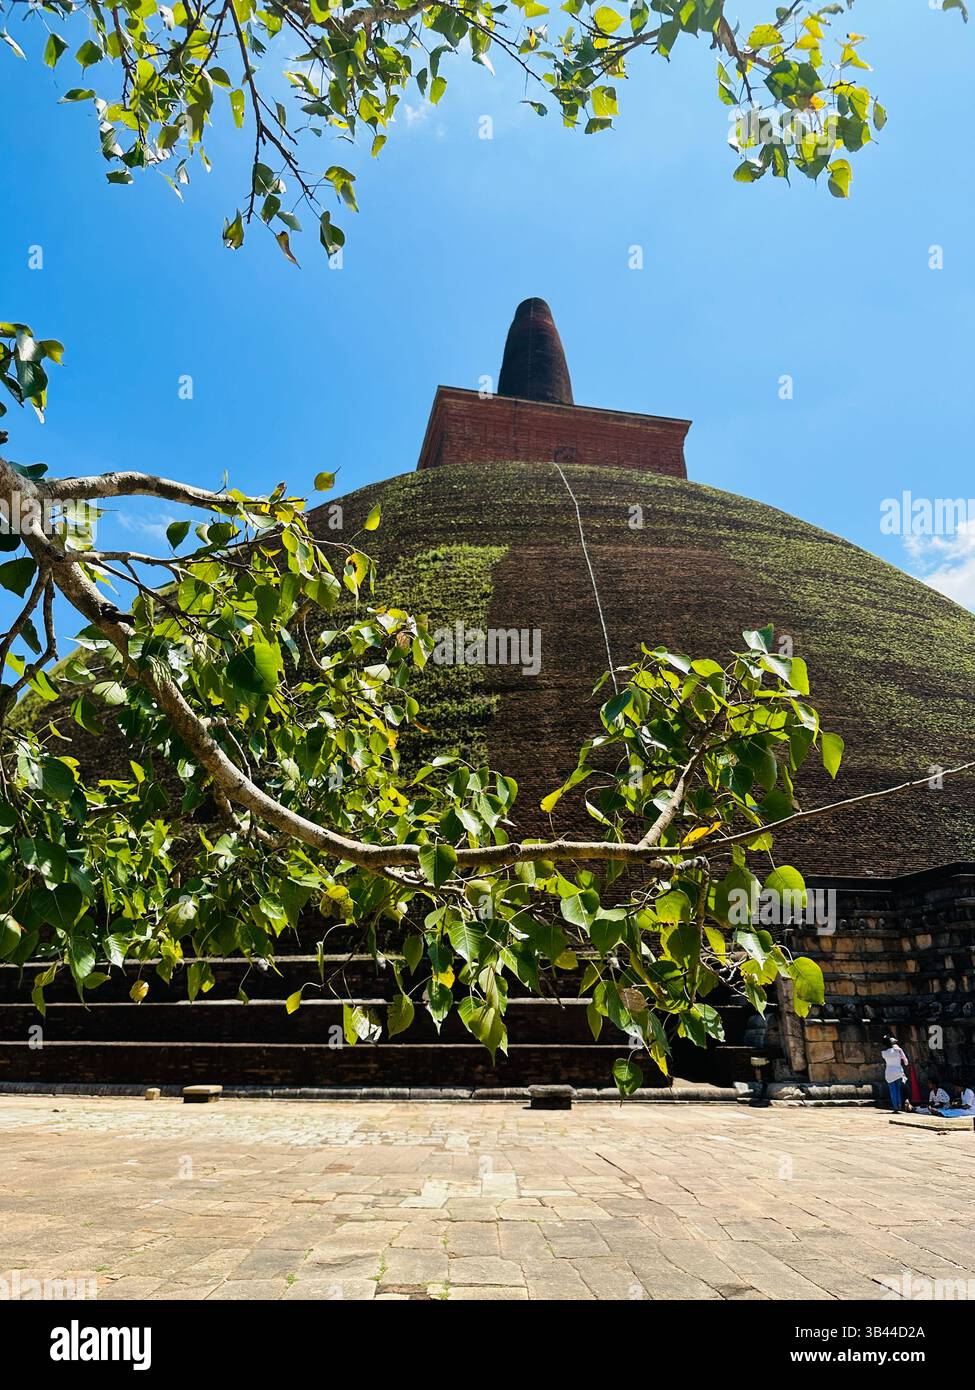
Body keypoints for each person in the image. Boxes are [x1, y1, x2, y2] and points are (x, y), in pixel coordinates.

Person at [881, 1034, 909, 1113]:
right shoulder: (898, 1050)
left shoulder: (883, 1053)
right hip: (898, 1071)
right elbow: (906, 1062)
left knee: (892, 1090)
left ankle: (895, 1107)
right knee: (898, 1089)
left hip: (889, 1072)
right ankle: (899, 1105)